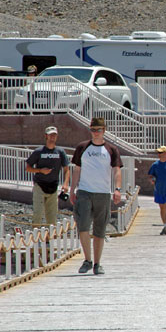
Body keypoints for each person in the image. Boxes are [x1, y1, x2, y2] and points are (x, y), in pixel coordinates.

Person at [70, 117, 123, 275]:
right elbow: (77, 169)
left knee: (100, 230)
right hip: (84, 191)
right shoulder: (82, 147)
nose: (96, 133)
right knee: (83, 226)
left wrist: (117, 189)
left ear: (104, 130)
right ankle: (87, 260)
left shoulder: (111, 149)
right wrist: (72, 190)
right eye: (93, 130)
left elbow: (117, 170)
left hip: (103, 193)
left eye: (99, 130)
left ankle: (97, 263)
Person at [25, 126, 70, 228]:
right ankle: (35, 235)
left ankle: (49, 236)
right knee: (38, 214)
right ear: (46, 136)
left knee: (52, 217)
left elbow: (66, 169)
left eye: (54, 135)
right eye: (50, 135)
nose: (52, 137)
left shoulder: (60, 152)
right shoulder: (39, 151)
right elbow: (28, 168)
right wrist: (40, 170)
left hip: (53, 186)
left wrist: (66, 183)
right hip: (40, 185)